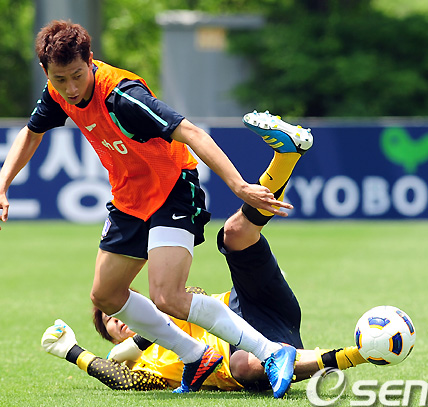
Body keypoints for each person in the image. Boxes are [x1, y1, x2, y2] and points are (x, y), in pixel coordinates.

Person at [0, 20, 310, 397]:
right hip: (129, 198)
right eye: (60, 79)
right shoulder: (57, 93)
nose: (71, 88)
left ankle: (270, 351)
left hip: (173, 190)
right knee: (106, 296)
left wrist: (239, 186)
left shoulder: (123, 96)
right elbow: (32, 132)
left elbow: (192, 132)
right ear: (46, 71)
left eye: (77, 76)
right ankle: (196, 356)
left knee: (168, 296)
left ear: (90, 60)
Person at [40, 110, 366, 391]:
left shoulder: (164, 314)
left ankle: (286, 155)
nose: (119, 321)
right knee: (246, 366)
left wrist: (140, 339)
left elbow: (193, 292)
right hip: (245, 354)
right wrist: (71, 350)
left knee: (234, 233)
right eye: (111, 322)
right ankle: (362, 353)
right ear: (111, 339)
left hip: (248, 300)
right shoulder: (144, 367)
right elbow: (123, 381)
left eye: (118, 313)